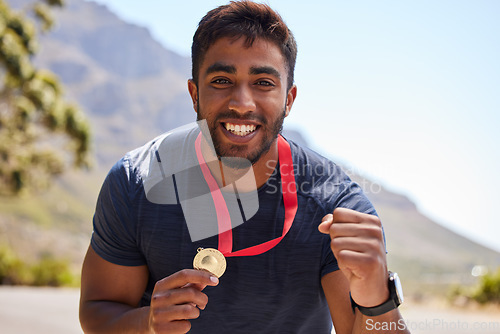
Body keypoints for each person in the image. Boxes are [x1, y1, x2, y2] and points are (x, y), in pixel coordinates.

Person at [79, 1, 410, 333]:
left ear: (288, 100)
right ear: (194, 94)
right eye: (222, 80)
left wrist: (374, 297)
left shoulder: (335, 206)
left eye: (263, 83)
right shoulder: (136, 182)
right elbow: (99, 311)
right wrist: (148, 323)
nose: (242, 103)